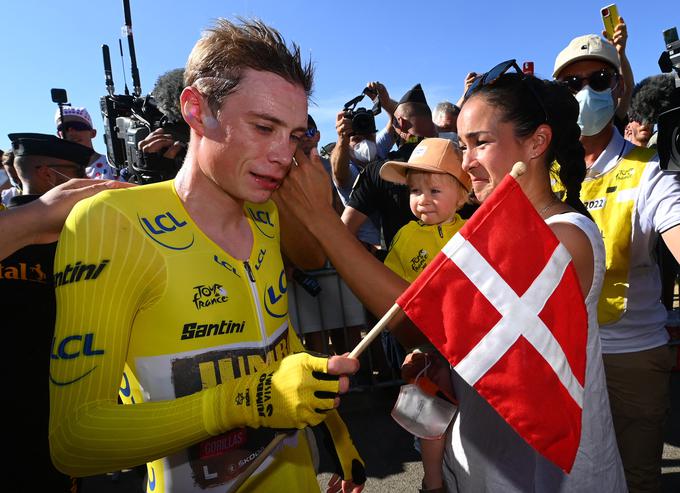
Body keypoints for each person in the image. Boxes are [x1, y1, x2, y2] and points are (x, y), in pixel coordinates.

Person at [276, 59, 626, 491]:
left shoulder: (563, 237)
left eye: (480, 143)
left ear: (536, 142)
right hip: (477, 464)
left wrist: (321, 221)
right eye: (462, 145)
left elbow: (425, 323)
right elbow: (449, 339)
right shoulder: (494, 229)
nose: (469, 162)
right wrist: (444, 365)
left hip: (546, 476)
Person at [49, 19, 364, 493]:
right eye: (263, 127)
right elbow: (75, 441)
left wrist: (338, 437)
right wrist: (240, 402)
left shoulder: (267, 215)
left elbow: (275, 340)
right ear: (195, 110)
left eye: (295, 136)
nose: (283, 155)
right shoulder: (110, 223)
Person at [554, 34, 680, 493]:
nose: (584, 92)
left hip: (631, 355)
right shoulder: (540, 174)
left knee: (637, 478)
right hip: (563, 358)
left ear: (618, 87)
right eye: (570, 85)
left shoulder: (651, 170)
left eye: (598, 79)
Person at [1, 133, 103, 491]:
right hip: (54, 397)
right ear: (48, 175)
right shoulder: (78, 234)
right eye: (76, 172)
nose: (88, 182)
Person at [380, 137, 470, 492]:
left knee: (471, 422)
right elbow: (390, 291)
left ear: (462, 195)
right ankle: (432, 481)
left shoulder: (471, 233)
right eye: (415, 190)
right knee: (429, 417)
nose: (423, 199)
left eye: (435, 189)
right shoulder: (403, 236)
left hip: (469, 349)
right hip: (426, 348)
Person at [55, 106, 119, 180]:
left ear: (93, 133)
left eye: (78, 126)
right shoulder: (55, 172)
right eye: (64, 128)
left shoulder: (112, 166)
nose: (72, 133)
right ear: (59, 135)